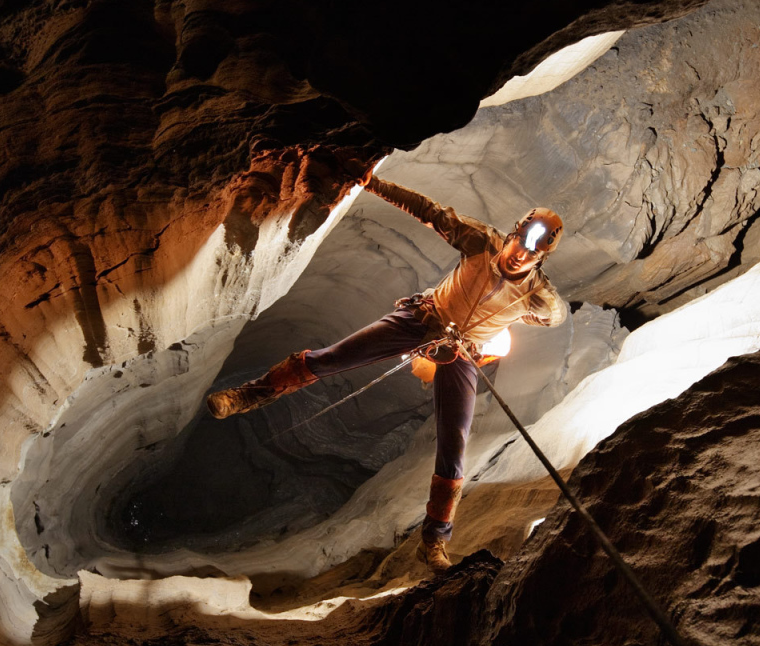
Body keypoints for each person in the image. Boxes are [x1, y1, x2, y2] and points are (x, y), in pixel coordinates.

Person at [206, 174, 568, 573]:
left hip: (461, 352)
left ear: (540, 259)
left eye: (533, 252)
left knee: (454, 447)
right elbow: (429, 212)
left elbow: (554, 315)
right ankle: (248, 396)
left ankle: (434, 540)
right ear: (513, 234)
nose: (521, 254)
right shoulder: (480, 241)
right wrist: (371, 183)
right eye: (521, 242)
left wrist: (507, 325)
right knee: (333, 357)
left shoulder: (538, 293)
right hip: (422, 318)